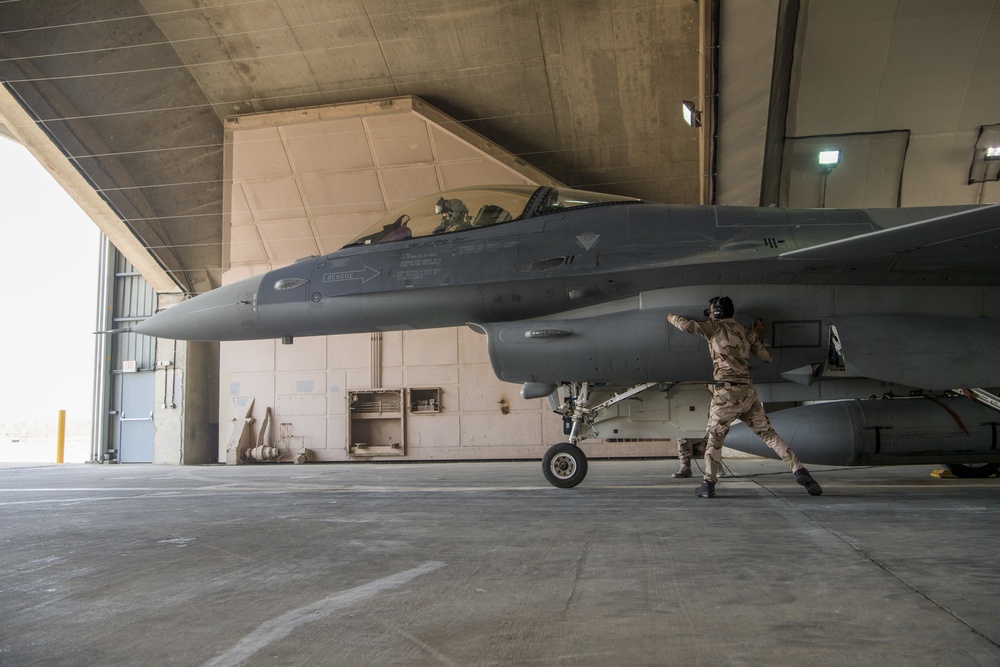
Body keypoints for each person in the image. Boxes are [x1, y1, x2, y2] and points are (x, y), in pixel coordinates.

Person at [667, 297, 823, 498]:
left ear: (717, 313)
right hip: (748, 393)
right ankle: (800, 470)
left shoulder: (713, 329)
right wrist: (760, 335)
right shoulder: (745, 332)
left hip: (725, 394)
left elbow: (686, 325)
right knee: (769, 435)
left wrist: (670, 317)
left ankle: (708, 484)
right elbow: (767, 357)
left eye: (711, 311)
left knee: (714, 437)